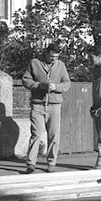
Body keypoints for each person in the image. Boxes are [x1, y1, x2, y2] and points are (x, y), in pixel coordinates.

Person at [21, 41, 71, 174]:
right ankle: (31, 163)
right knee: (36, 134)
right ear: (46, 53)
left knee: (54, 135)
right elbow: (26, 80)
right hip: (37, 104)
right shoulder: (34, 63)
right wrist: (40, 86)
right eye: (52, 57)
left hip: (54, 105)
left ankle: (51, 162)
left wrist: (56, 87)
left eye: (56, 57)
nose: (54, 60)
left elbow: (66, 84)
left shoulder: (61, 66)